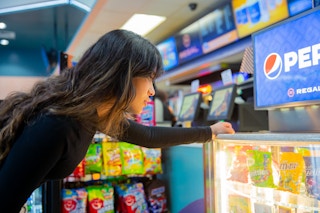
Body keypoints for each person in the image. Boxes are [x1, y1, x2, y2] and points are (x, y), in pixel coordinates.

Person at [0, 29, 235, 212]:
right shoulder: (60, 125)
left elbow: (148, 136)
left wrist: (210, 132)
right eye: (150, 79)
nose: (152, 91)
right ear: (123, 75)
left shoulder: (93, 114)